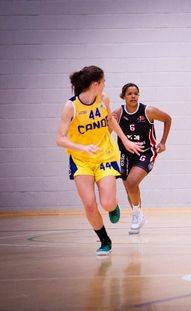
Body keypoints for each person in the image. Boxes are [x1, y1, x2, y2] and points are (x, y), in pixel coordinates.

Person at [56, 66, 143, 255]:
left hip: (104, 156)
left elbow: (110, 121)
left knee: (108, 203)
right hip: (81, 160)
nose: (105, 85)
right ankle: (104, 240)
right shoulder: (71, 106)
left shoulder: (103, 99)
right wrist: (82, 147)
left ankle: (113, 207)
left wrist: (125, 140)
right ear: (95, 85)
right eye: (103, 82)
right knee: (89, 204)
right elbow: (60, 139)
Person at [113, 83, 172, 234]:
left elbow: (168, 119)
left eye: (136, 93)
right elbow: (107, 128)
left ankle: (136, 215)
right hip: (126, 154)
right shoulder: (119, 113)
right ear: (124, 96)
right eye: (129, 93)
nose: (133, 96)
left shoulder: (148, 111)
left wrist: (163, 142)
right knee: (129, 188)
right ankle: (137, 215)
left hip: (146, 153)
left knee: (132, 183)